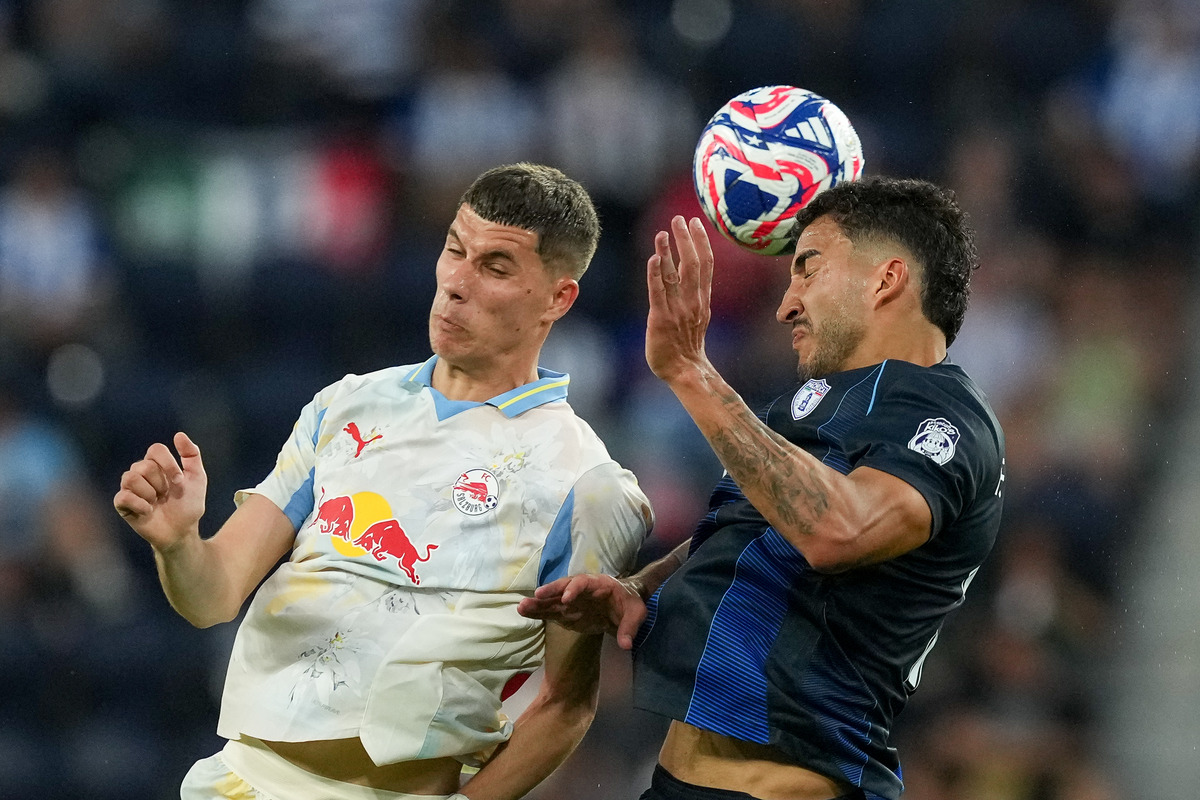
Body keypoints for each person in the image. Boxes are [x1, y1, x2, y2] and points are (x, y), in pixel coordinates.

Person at [113, 163, 653, 800]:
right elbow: (212, 598)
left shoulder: (583, 483)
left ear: (558, 299)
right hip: (241, 781)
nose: (456, 283)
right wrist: (178, 545)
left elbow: (566, 705)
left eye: (496, 268)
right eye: (455, 250)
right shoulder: (343, 407)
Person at [519, 176, 1006, 800]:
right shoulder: (810, 407)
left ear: (886, 280)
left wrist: (692, 373)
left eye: (808, 269)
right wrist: (643, 587)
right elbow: (751, 528)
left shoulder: (947, 415)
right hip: (681, 781)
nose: (787, 305)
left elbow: (839, 530)